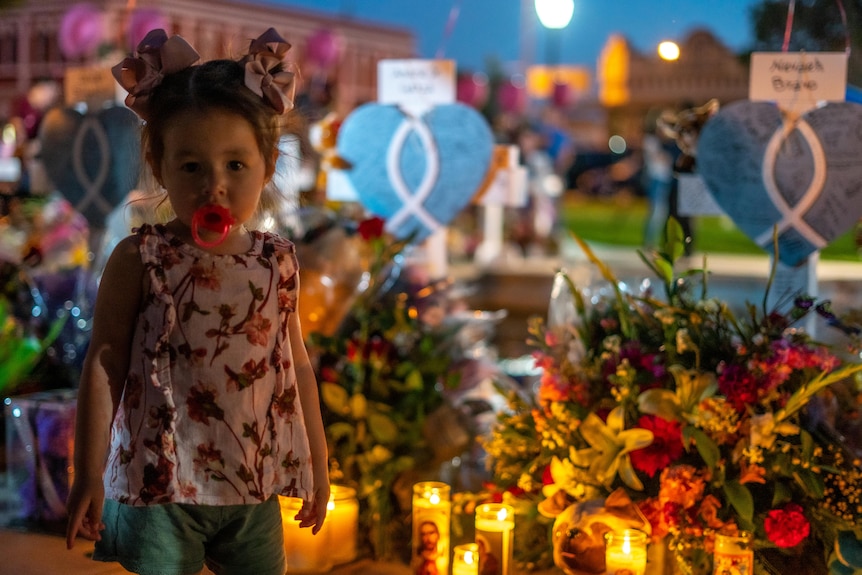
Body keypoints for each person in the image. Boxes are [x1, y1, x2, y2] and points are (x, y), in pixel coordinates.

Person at [64, 28, 330, 575]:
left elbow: (296, 364)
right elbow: (105, 361)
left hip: (251, 486)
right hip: (160, 486)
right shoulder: (141, 256)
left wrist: (316, 468)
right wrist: (87, 474)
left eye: (235, 165)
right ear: (159, 165)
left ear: (268, 164)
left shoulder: (277, 261)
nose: (215, 186)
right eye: (191, 167)